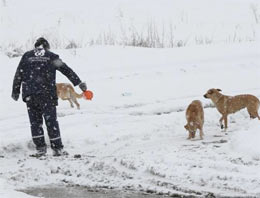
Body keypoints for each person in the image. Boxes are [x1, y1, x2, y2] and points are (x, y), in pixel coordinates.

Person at [11, 37, 87, 157]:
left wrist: (15, 91)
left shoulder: (27, 56)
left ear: (36, 46)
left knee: (35, 123)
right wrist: (78, 82)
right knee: (51, 121)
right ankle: (57, 149)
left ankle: (41, 149)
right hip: (47, 95)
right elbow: (66, 70)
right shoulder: (51, 56)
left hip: (30, 95)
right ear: (46, 47)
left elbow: (18, 73)